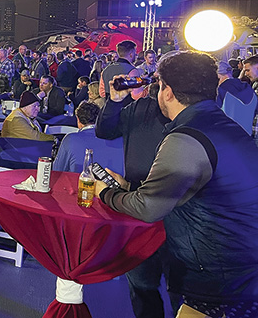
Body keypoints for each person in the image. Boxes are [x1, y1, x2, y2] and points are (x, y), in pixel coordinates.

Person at [96, 51, 258, 317]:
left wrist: (106, 193)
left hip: (214, 275)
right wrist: (128, 188)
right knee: (145, 287)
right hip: (234, 263)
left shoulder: (187, 135)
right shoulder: (226, 126)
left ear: (167, 91)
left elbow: (149, 206)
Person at [96, 76, 173, 317]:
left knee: (183, 292)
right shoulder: (141, 108)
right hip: (139, 208)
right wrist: (115, 101)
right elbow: (105, 130)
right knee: (142, 286)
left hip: (181, 217)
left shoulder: (195, 118)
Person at [53, 101, 124, 174]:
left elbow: (56, 171)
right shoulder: (119, 139)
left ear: (78, 119)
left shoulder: (71, 139)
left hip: (79, 183)